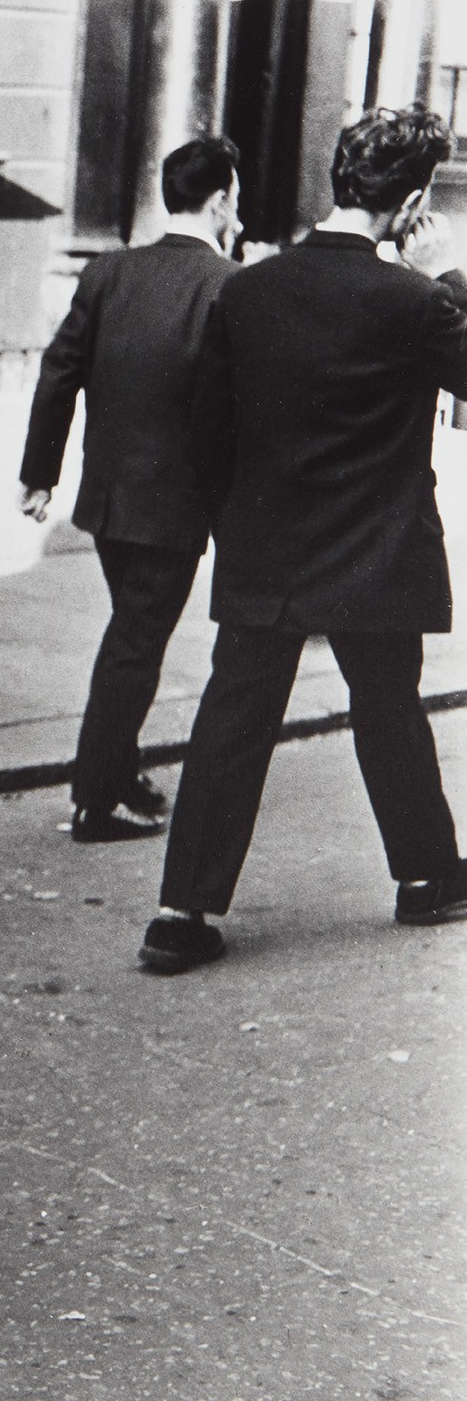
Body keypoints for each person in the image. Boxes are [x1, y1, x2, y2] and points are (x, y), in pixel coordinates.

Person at [141, 107, 467, 975]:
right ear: (411, 202)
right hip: (377, 549)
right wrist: (450, 273)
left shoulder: (245, 288)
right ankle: (428, 879)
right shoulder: (415, 299)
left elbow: (204, 430)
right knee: (389, 712)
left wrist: (237, 526)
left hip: (266, 548)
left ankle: (180, 912)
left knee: (232, 720)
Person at [18, 136, 242, 842]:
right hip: (173, 506)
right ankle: (95, 796)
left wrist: (37, 474)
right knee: (134, 645)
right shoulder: (228, 284)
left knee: (130, 634)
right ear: (220, 200)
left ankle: (115, 769)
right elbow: (234, 405)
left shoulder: (107, 272)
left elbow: (58, 372)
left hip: (108, 498)